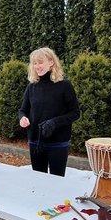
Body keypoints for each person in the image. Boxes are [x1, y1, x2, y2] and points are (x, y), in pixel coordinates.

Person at [18, 47, 80, 177]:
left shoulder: (65, 85)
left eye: (40, 62)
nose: (37, 66)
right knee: (39, 181)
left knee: (56, 182)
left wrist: (54, 123)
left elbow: (75, 113)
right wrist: (23, 118)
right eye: (34, 63)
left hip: (58, 143)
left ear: (51, 62)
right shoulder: (31, 87)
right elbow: (23, 110)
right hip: (36, 142)